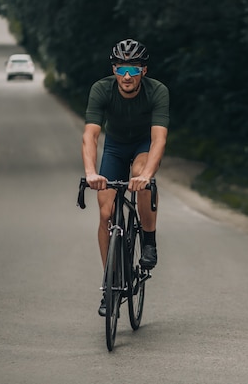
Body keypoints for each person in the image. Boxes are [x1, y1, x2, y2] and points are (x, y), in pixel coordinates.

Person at [81, 38, 169, 316]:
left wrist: (148, 176)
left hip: (143, 145)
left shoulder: (157, 91)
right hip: (115, 148)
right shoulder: (101, 89)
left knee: (139, 174)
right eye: (121, 69)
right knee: (106, 214)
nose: (127, 76)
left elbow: (159, 140)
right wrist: (91, 173)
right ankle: (110, 283)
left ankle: (149, 241)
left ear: (143, 71)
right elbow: (90, 135)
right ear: (114, 70)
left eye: (133, 69)